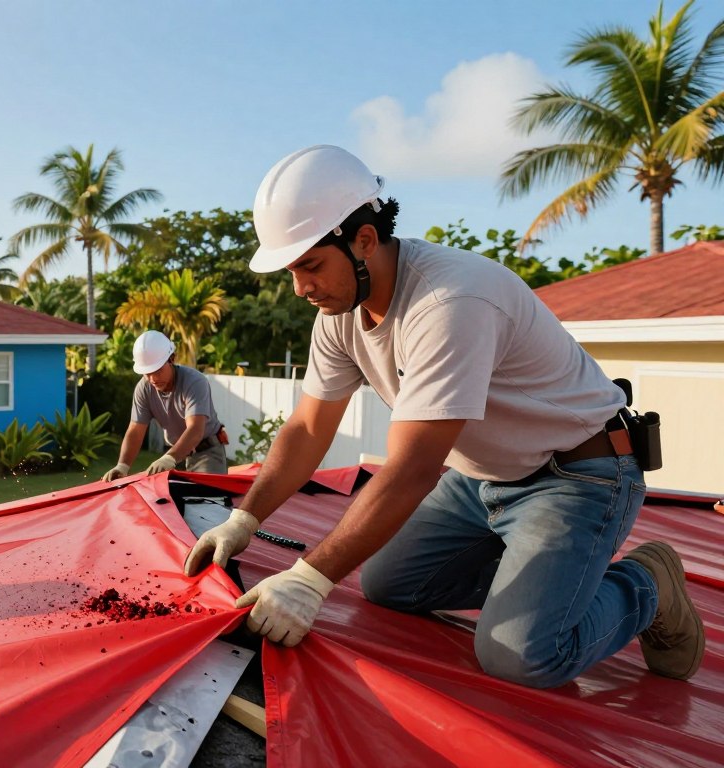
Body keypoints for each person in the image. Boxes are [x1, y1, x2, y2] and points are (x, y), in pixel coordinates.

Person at [185, 145, 703, 688]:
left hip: (576, 474)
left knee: (521, 656)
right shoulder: (341, 313)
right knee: (388, 584)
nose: (300, 288)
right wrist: (244, 520)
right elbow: (309, 428)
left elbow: (413, 469)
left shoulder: (449, 302)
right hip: (482, 477)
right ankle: (544, 580)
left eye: (311, 265)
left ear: (364, 240)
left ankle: (647, 583)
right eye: (292, 270)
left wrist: (308, 580)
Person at [102, 330, 228, 481]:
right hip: (175, 453)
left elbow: (195, 429)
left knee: (206, 494)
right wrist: (122, 465)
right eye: (147, 373)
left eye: (158, 371)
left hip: (206, 452)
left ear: (172, 359)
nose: (153, 379)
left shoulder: (194, 382)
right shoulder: (144, 389)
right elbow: (135, 430)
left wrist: (170, 458)